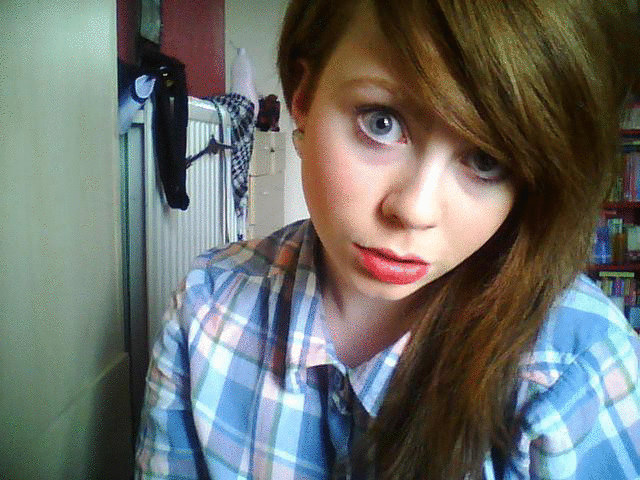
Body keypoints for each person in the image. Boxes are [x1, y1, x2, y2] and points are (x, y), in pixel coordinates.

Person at [135, 0, 640, 478]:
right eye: (382, 122)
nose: (414, 211)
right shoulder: (207, 308)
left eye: (486, 160)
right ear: (304, 99)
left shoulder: (577, 371)